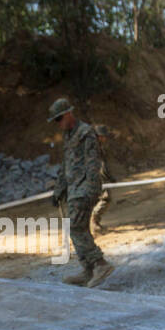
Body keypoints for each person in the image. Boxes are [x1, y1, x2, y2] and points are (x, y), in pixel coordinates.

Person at [49, 97, 114, 287]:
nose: (58, 124)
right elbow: (66, 166)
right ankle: (88, 269)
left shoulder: (85, 133)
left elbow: (93, 164)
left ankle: (100, 264)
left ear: (68, 114)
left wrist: (90, 190)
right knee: (78, 228)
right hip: (73, 189)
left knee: (75, 226)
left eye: (59, 119)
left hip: (84, 189)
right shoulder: (69, 136)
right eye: (56, 120)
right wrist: (58, 191)